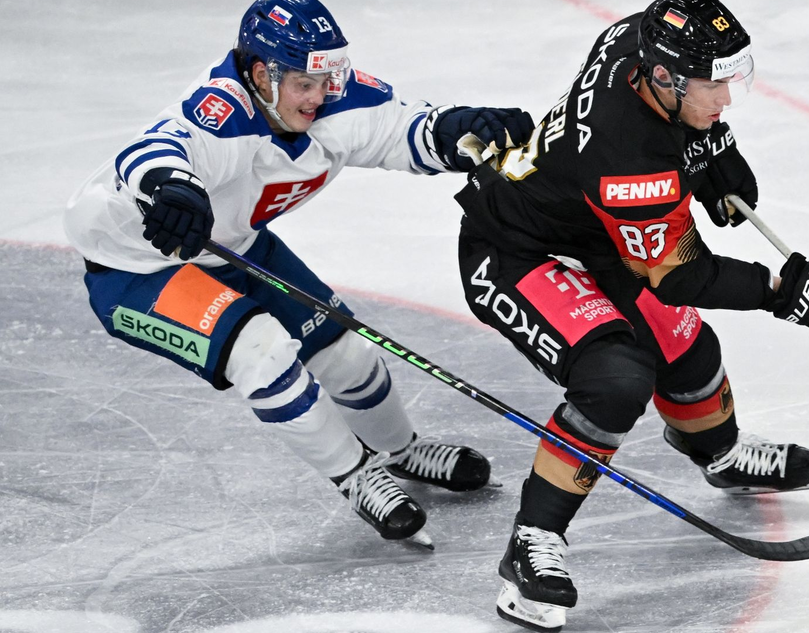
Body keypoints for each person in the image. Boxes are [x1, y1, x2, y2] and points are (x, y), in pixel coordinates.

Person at [454, 0, 809, 632]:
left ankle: (719, 453)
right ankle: (531, 544)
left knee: (688, 353)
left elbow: (680, 136)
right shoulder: (630, 165)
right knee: (616, 378)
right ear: (663, 78)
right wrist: (792, 292)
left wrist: (709, 150)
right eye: (713, 87)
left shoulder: (637, 37)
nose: (726, 100)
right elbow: (682, 273)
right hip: (515, 252)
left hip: (596, 235)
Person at [63, 0, 536, 549]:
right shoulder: (222, 116)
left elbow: (403, 129)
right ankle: (356, 476)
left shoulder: (330, 99)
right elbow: (154, 150)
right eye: (304, 84)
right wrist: (170, 187)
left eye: (327, 79)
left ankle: (403, 451)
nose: (319, 97)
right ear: (263, 75)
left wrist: (458, 131)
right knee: (262, 352)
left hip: (233, 244)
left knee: (346, 353)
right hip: (140, 266)